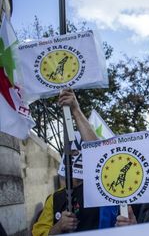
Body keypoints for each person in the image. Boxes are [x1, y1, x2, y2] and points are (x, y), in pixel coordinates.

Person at [32, 89, 100, 235]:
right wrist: (58, 227)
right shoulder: (55, 199)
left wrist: (75, 110)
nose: (78, 156)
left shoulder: (101, 191)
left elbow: (98, 153)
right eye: (74, 152)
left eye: (84, 151)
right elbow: (37, 233)